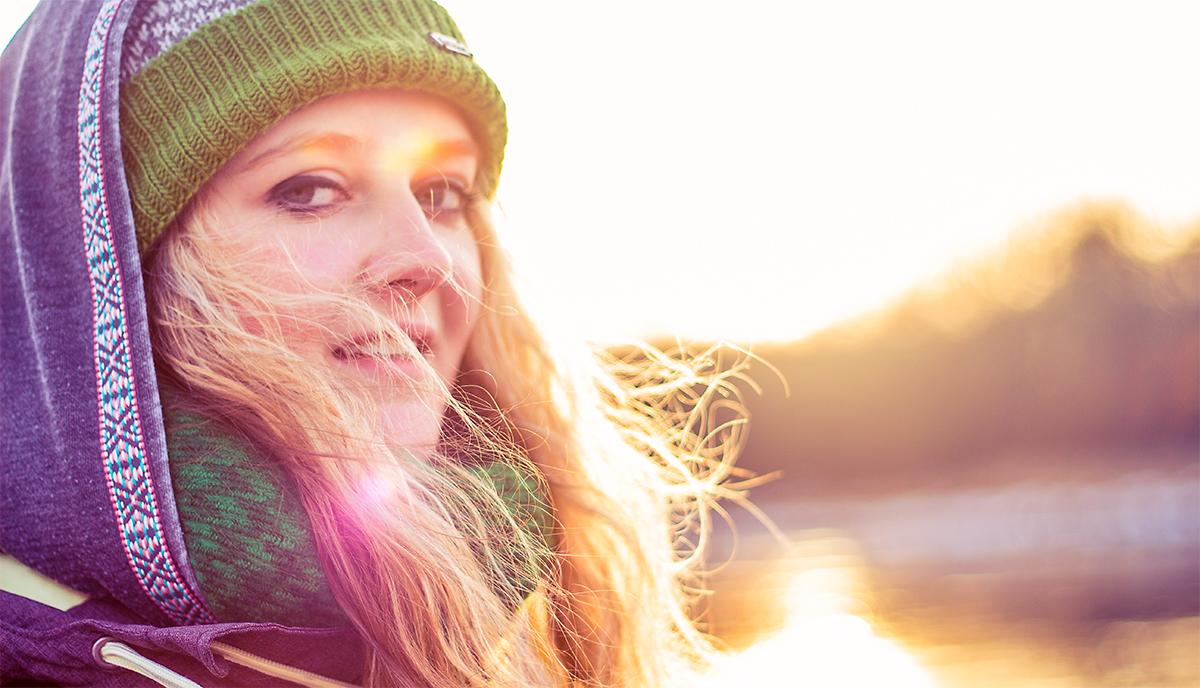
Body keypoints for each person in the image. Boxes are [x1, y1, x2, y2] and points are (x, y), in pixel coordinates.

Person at [0, 0, 747, 685]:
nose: (423, 257)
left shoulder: (538, 625)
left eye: (442, 193)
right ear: (99, 276)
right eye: (310, 188)